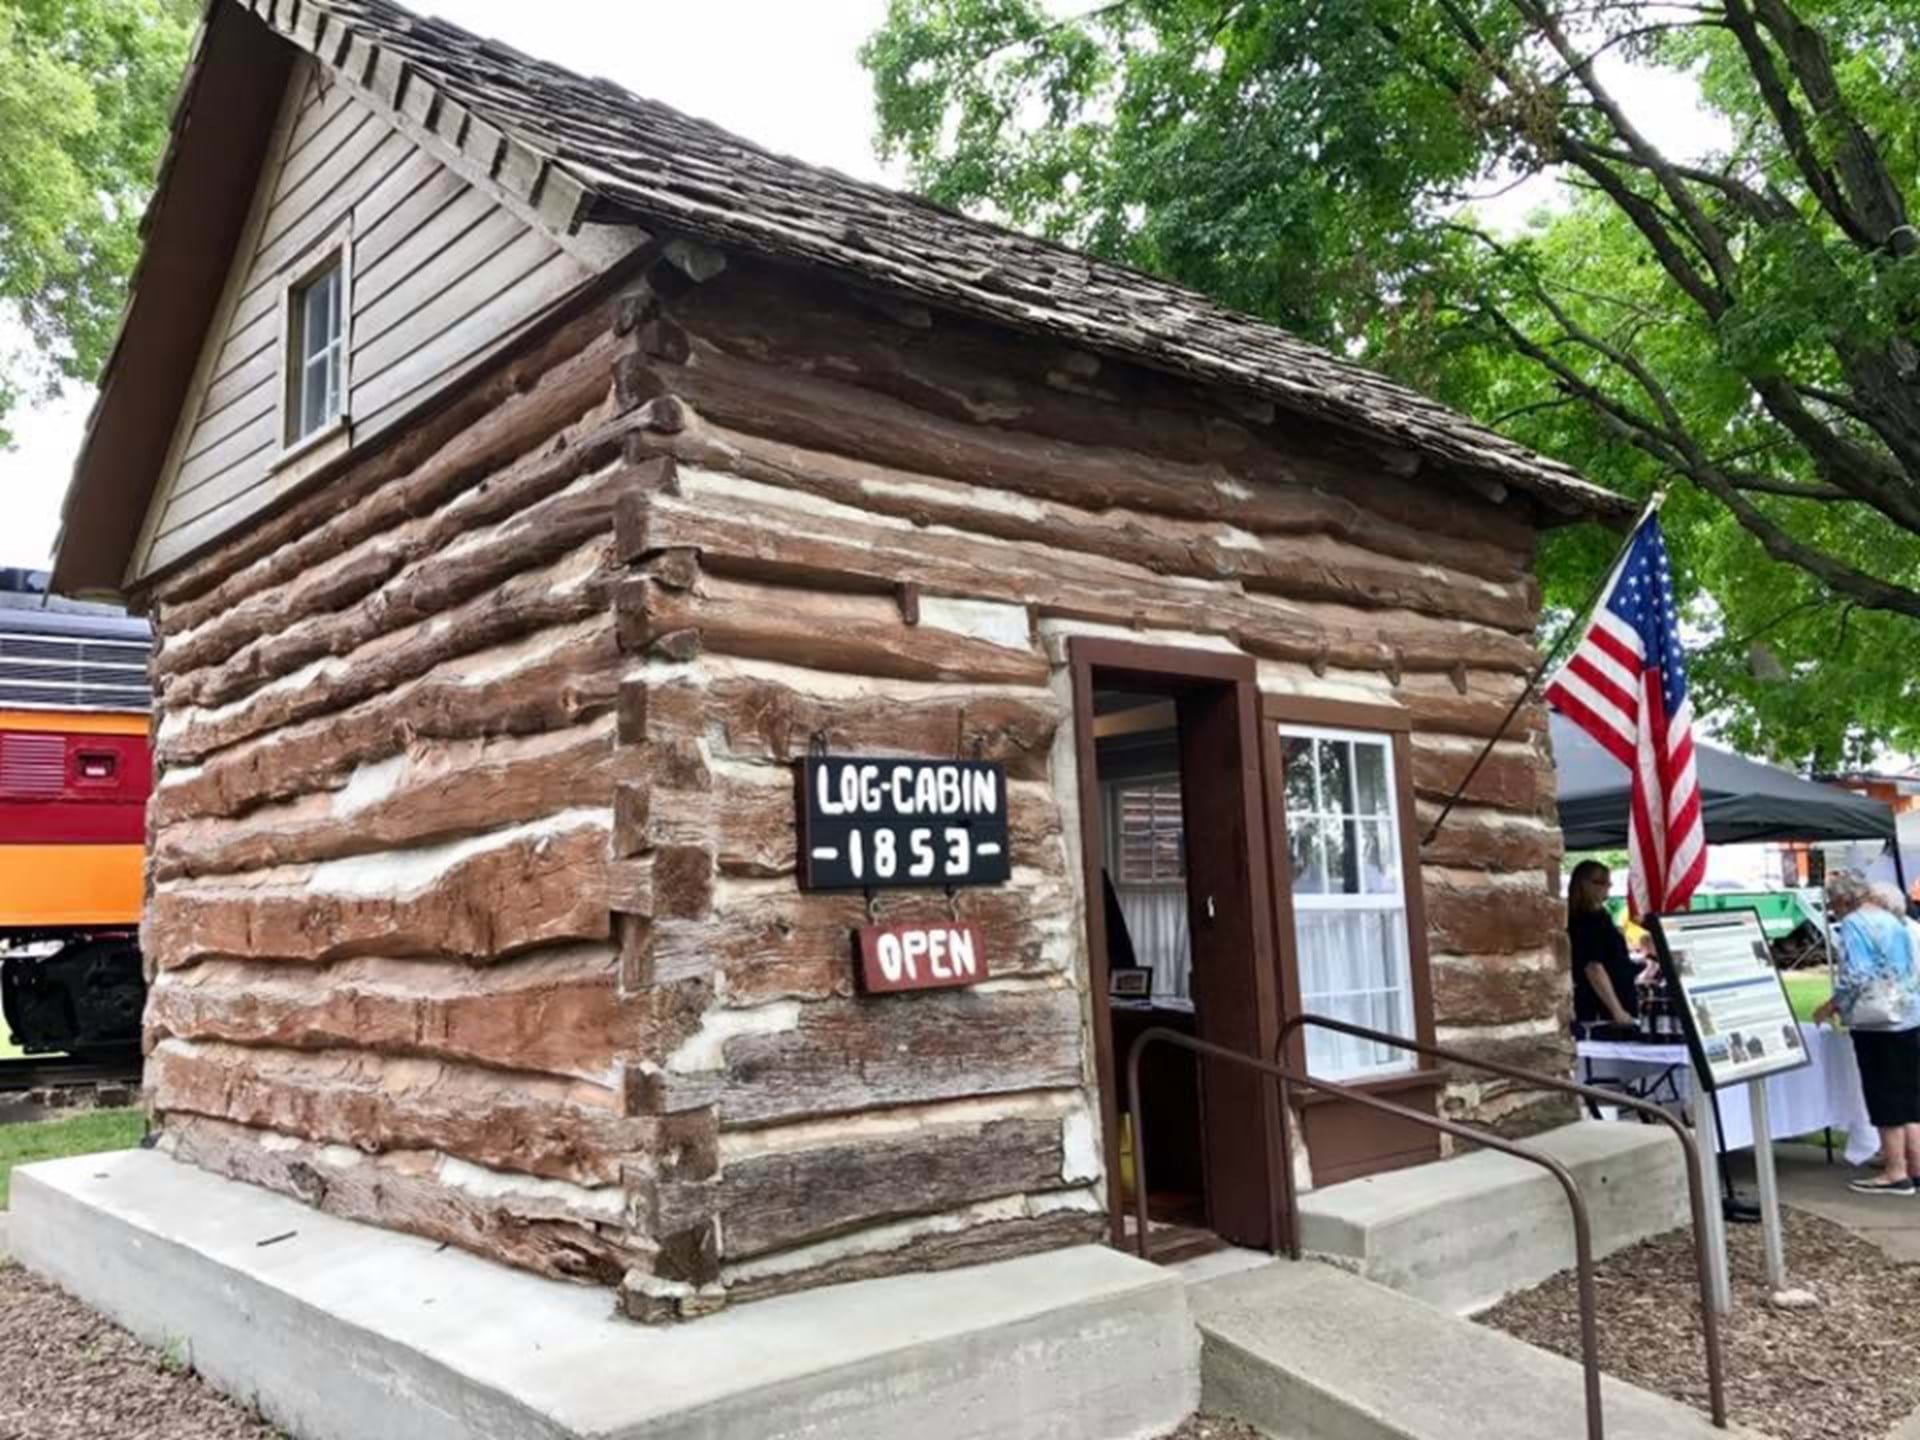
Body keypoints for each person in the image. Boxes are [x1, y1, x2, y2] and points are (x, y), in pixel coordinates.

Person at [1813, 869, 1920, 1195]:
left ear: (1844, 898)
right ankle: (1915, 1165)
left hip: (1877, 1021)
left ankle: (1894, 1171)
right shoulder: (1894, 920)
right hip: (1909, 1014)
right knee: (1911, 1094)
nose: (1832, 907)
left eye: (1832, 900)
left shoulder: (1854, 924)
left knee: (1883, 1092)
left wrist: (1834, 1004)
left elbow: (1856, 975)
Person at [1567, 860, 1639, 1029]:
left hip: (1619, 997)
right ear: (1584, 885)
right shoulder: (1584, 919)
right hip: (1601, 1007)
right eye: (1602, 882)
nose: (1608, 887)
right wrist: (1617, 1010)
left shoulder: (1601, 915)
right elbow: (1593, 967)